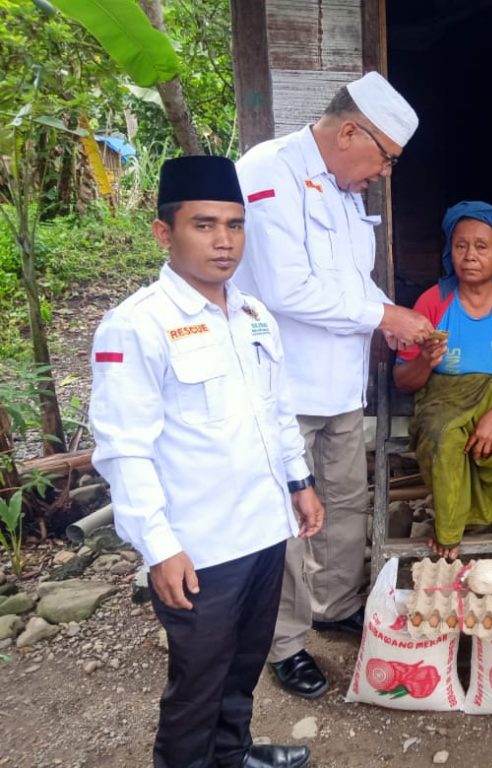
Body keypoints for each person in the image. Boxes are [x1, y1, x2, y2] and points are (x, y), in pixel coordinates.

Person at [89, 155, 322, 768]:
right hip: (199, 545)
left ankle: (232, 753)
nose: (224, 241)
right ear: (164, 233)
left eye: (235, 225)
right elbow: (124, 449)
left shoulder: (253, 315)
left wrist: (299, 481)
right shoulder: (137, 326)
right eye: (204, 225)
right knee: (197, 681)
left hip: (264, 528)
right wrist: (159, 547)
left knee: (244, 664)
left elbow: (277, 409)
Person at [233, 72, 434, 699]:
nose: (385, 173)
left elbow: (351, 279)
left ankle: (336, 604)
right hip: (283, 387)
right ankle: (285, 643)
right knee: (289, 516)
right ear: (350, 133)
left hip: (341, 385)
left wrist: (387, 320)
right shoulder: (269, 171)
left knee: (345, 501)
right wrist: (383, 315)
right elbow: (284, 288)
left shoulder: (345, 190)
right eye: (386, 157)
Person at [394, 201, 492, 560]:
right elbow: (402, 381)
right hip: (445, 404)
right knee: (443, 432)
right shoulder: (432, 302)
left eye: (482, 247)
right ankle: (450, 529)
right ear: (450, 253)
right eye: (460, 246)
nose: (469, 256)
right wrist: (424, 361)